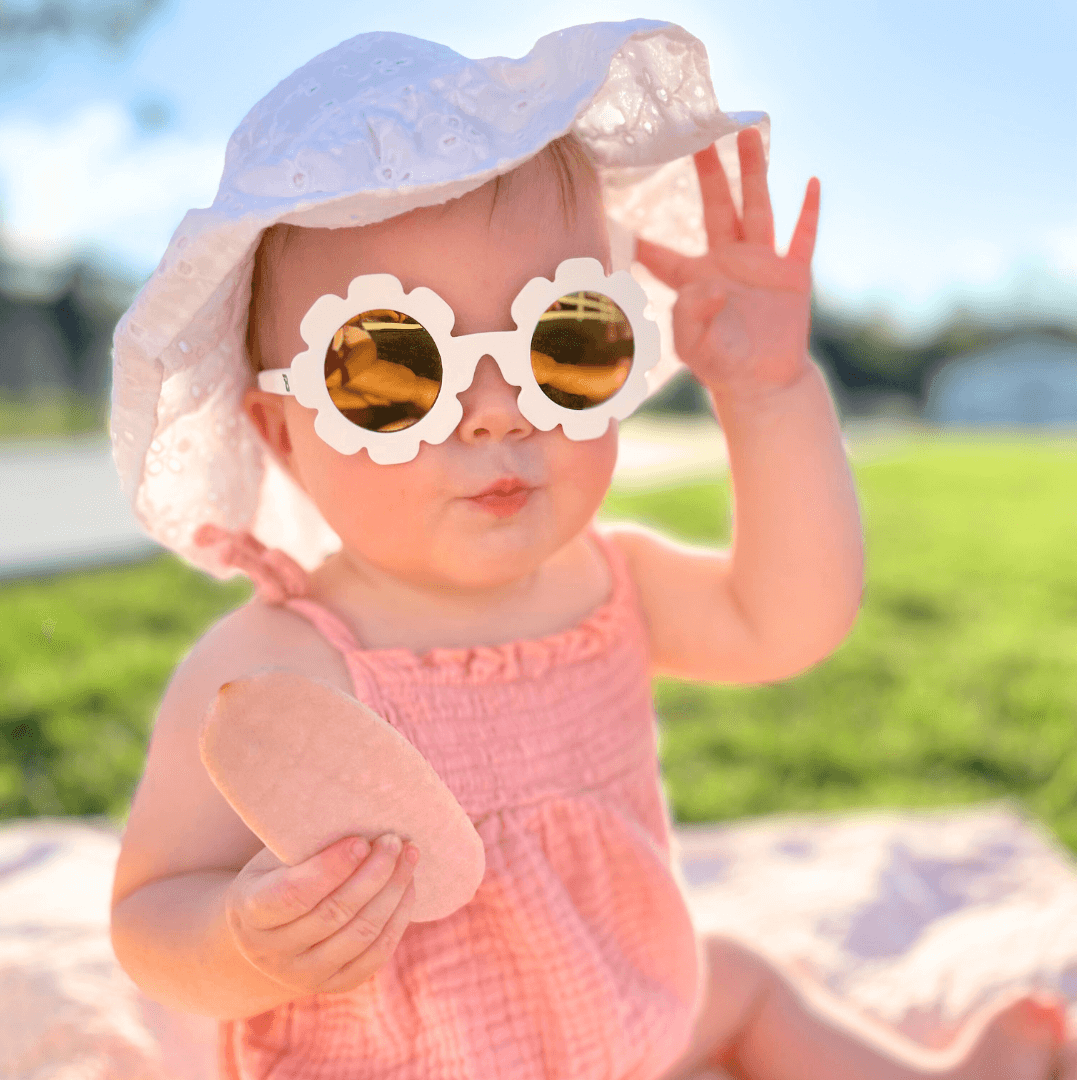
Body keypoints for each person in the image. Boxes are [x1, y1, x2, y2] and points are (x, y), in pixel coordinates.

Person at [107, 20, 1066, 1080]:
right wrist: (243, 942)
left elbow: (790, 617)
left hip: (621, 1022)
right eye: (389, 372)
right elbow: (152, 912)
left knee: (739, 980)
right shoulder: (273, 666)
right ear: (281, 434)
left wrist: (766, 393)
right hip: (398, 1064)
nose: (496, 412)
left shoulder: (612, 583)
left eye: (562, 340)